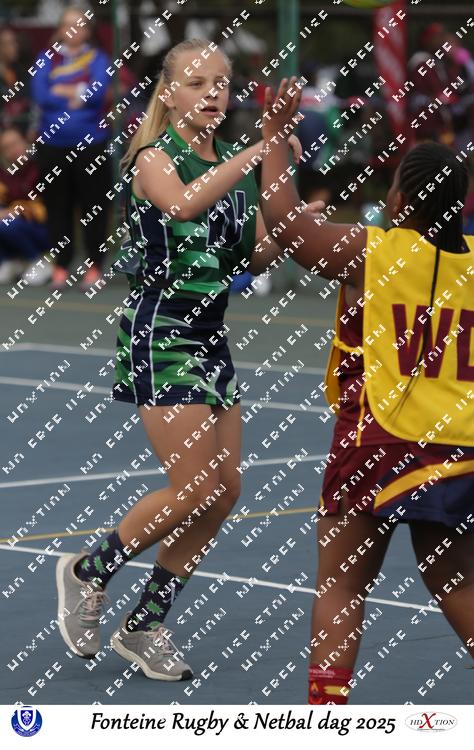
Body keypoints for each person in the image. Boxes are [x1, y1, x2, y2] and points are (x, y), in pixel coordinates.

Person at [55, 39, 302, 682]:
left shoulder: (234, 164)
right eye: (197, 82)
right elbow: (182, 204)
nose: (213, 92)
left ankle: (145, 623)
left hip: (211, 338)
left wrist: (293, 211)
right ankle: (88, 570)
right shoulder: (153, 159)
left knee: (224, 493)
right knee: (192, 487)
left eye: (221, 82)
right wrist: (258, 151)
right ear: (169, 95)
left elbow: (251, 258)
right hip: (160, 334)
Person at [259, 77, 474, 704]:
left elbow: (286, 224)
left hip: (375, 440)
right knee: (458, 582)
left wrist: (274, 137)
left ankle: (327, 719)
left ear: (400, 196)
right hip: (457, 447)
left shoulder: (371, 250)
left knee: (341, 586)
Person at [30, 6, 112, 291]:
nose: (73, 30)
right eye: (68, 25)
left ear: (88, 30)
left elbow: (97, 93)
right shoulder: (46, 59)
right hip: (52, 144)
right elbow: (41, 94)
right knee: (57, 207)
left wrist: (61, 89)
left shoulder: (98, 58)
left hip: (91, 144)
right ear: (60, 29)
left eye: (80, 25)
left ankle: (94, 267)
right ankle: (61, 266)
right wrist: (77, 91)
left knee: (93, 207)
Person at [0, 127, 49, 284]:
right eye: (6, 147)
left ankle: (38, 261)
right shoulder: (3, 174)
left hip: (43, 228)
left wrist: (16, 210)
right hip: (14, 225)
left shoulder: (42, 167)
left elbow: (46, 210)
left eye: (15, 143)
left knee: (7, 223)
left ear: (25, 142)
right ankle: (9, 260)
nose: (12, 150)